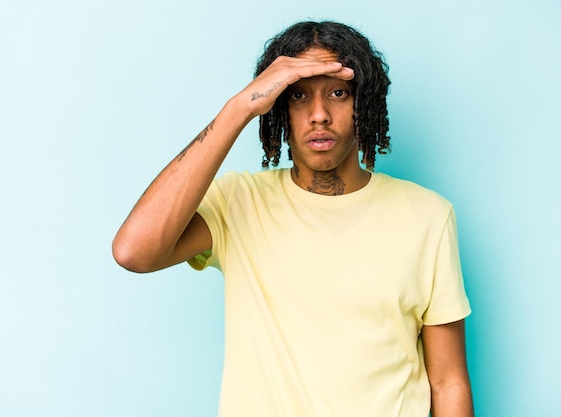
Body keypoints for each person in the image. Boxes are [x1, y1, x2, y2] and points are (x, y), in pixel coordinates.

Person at [113, 20, 473, 417]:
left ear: (364, 103)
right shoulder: (238, 202)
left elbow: (448, 381)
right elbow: (134, 251)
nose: (319, 114)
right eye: (298, 95)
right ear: (278, 108)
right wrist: (238, 109)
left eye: (338, 93)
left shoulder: (427, 216)